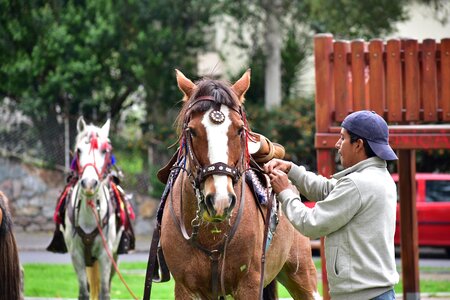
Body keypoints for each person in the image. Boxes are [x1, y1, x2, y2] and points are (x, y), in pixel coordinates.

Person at [264, 110, 399, 300]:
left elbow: (311, 224)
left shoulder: (357, 184)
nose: (337, 145)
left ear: (358, 144)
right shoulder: (379, 177)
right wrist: (291, 170)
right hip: (376, 293)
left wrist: (285, 192)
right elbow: (328, 189)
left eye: (342, 138)